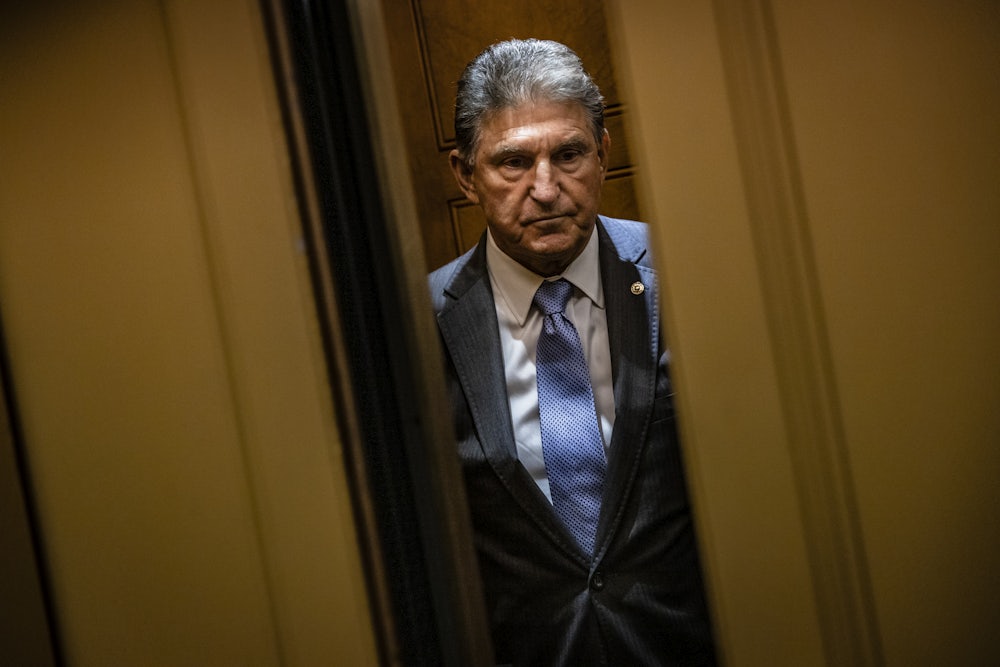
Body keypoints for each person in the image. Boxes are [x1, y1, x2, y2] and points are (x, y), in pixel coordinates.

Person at [428, 38, 716, 666]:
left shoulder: (689, 275)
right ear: (464, 175)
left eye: (569, 153)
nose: (546, 187)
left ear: (604, 154)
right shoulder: (424, 324)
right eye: (512, 163)